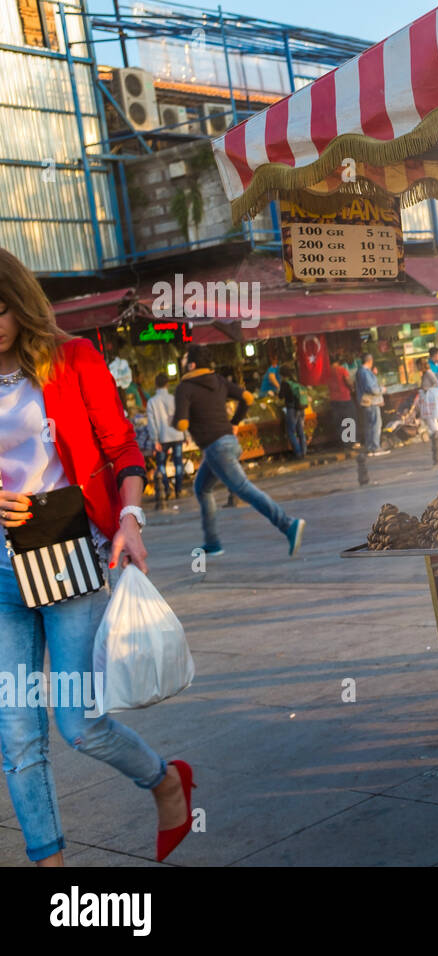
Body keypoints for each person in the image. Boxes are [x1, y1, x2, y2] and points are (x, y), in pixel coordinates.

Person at [0, 248, 195, 865]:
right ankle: (50, 867)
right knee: (15, 735)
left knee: (79, 724)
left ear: (20, 302)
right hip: (1, 570)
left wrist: (130, 520)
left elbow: (122, 449)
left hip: (67, 557)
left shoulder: (73, 359)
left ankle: (165, 779)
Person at [173, 344, 306, 557]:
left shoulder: (184, 387)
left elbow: (180, 423)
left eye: (185, 358)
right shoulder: (218, 380)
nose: (182, 362)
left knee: (244, 489)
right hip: (229, 442)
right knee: (202, 488)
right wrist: (235, 421)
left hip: (216, 448)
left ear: (192, 364)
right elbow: (248, 398)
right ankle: (213, 542)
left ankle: (287, 524)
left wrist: (183, 419)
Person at [146, 372, 186, 509]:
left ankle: (166, 489)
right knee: (178, 463)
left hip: (162, 437)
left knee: (161, 464)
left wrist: (154, 439)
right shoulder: (174, 399)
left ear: (156, 385)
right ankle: (179, 489)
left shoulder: (152, 402)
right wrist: (186, 434)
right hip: (177, 435)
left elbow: (152, 423)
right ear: (167, 384)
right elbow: (182, 417)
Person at [354, 352, 387, 456]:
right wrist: (382, 389)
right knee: (375, 424)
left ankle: (370, 447)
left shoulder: (362, 372)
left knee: (369, 425)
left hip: (367, 402)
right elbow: (371, 388)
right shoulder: (364, 372)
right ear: (370, 361)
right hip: (371, 402)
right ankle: (375, 447)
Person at [326, 353, 357, 449]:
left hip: (334, 399)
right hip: (345, 398)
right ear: (337, 361)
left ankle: (344, 443)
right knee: (349, 420)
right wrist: (352, 388)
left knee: (340, 421)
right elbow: (348, 381)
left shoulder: (327, 372)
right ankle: (351, 442)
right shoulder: (341, 369)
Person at [416, 356, 438, 465]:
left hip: (430, 399)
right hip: (427, 398)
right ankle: (436, 435)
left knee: (431, 418)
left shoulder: (428, 373)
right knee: (431, 418)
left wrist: (427, 389)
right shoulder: (425, 374)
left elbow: (437, 383)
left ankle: (435, 435)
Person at [278, 365, 308, 459]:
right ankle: (304, 451)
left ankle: (298, 453)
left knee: (290, 432)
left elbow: (281, 396)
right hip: (300, 409)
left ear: (282, 374)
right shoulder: (295, 381)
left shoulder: (285, 383)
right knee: (300, 431)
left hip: (291, 409)